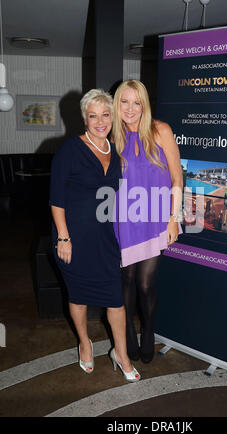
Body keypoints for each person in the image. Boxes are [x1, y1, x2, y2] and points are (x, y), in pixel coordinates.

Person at [49, 89, 140, 382]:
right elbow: (56, 199)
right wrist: (63, 237)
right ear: (84, 118)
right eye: (93, 116)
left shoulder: (116, 152)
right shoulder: (70, 150)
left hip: (105, 237)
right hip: (73, 237)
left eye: (105, 115)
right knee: (78, 296)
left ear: (112, 117)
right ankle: (85, 343)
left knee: (116, 300)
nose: (100, 121)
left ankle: (120, 353)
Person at [112, 80, 182, 363]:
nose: (130, 109)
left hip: (155, 219)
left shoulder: (160, 131)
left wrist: (173, 219)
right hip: (123, 220)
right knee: (126, 280)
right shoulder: (112, 137)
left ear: (144, 104)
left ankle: (148, 332)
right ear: (116, 105)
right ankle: (127, 335)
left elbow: (177, 178)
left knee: (145, 283)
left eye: (136, 102)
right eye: (124, 102)